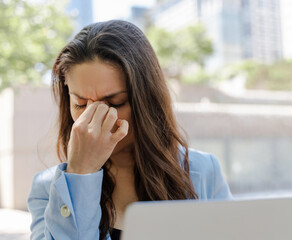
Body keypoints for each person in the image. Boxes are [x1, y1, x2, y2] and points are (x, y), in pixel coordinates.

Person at [27, 20, 233, 240]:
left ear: (147, 101)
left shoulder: (203, 172)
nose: (95, 119)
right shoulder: (48, 190)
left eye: (115, 102)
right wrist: (80, 175)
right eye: (80, 104)